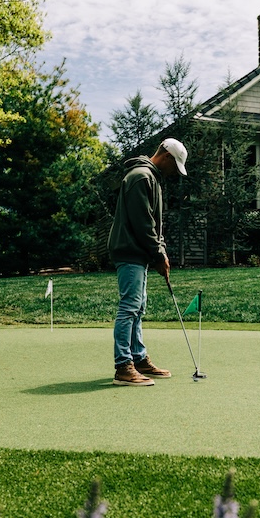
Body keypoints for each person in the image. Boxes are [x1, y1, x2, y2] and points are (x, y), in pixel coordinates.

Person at [108, 137, 187, 386]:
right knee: (129, 307)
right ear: (166, 156)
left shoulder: (151, 178)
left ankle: (138, 358)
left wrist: (160, 252)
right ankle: (123, 366)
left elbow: (153, 223)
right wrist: (158, 254)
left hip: (138, 251)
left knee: (138, 307)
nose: (174, 172)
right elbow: (143, 223)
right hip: (129, 250)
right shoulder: (141, 177)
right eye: (174, 166)